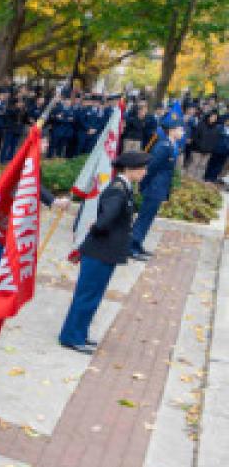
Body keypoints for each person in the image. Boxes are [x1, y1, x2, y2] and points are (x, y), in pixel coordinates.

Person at [59, 151, 149, 354]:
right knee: (87, 296)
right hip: (99, 251)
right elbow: (106, 219)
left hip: (105, 252)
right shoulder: (118, 190)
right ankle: (71, 337)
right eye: (142, 168)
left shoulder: (124, 187)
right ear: (129, 169)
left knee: (93, 295)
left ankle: (79, 333)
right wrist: (96, 228)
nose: (145, 172)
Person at [130, 117, 182, 261]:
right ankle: (131, 247)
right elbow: (151, 168)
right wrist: (143, 185)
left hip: (159, 188)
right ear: (172, 131)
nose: (182, 132)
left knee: (148, 218)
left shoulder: (171, 145)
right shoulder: (163, 146)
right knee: (144, 218)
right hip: (154, 187)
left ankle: (137, 243)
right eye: (180, 129)